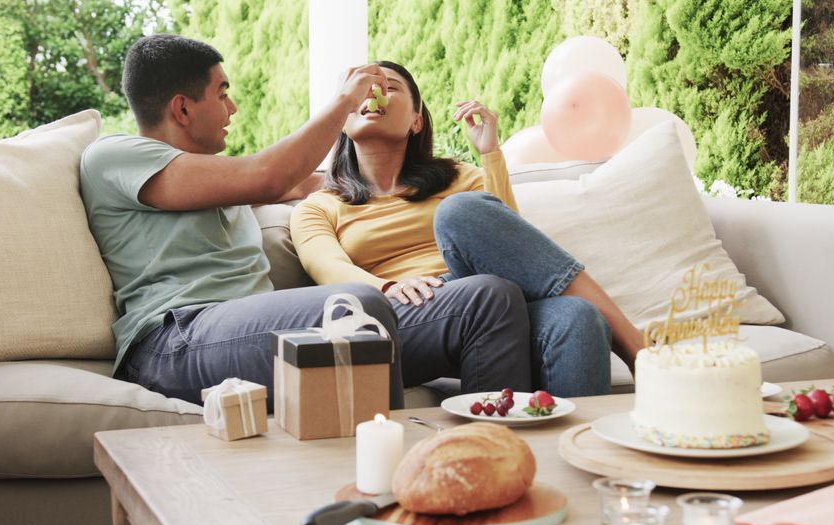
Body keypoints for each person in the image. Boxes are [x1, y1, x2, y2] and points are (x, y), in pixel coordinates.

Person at [78, 34, 409, 407]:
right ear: (182, 110)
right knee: (357, 308)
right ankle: (388, 461)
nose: (232, 108)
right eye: (222, 94)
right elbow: (270, 178)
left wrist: (417, 186)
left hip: (245, 331)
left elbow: (320, 183)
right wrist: (345, 101)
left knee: (478, 302)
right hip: (175, 340)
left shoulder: (219, 179)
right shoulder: (113, 155)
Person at [290, 61, 645, 397]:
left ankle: (574, 449)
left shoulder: (459, 179)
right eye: (362, 88)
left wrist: (490, 154)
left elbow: (510, 238)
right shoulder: (320, 206)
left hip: (492, 297)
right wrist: (388, 286)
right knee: (460, 213)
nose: (373, 93)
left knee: (578, 317)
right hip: (405, 309)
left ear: (416, 121)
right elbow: (328, 267)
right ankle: (636, 347)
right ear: (343, 114)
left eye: (389, 87)